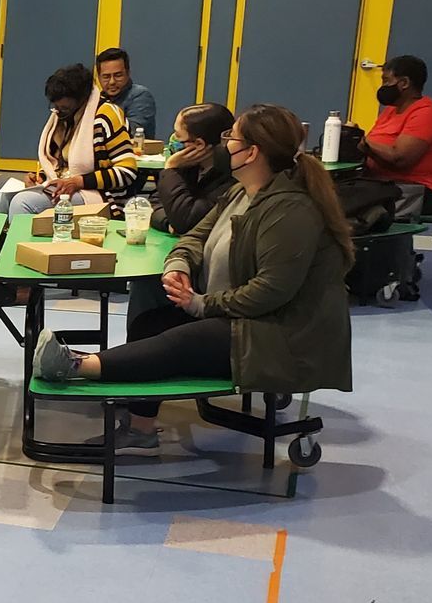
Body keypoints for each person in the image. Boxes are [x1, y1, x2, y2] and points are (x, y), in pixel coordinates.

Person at [34, 104, 353, 454]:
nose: (225, 144)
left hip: (281, 335)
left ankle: (75, 365)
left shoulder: (290, 209)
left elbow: (271, 291)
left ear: (252, 152)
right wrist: (179, 266)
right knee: (150, 323)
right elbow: (194, 237)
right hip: (245, 318)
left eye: (232, 138)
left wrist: (201, 303)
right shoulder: (240, 193)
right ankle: (140, 427)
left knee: (186, 339)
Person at [0, 64, 137, 217]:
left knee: (23, 202)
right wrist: (41, 178)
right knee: (0, 200)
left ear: (82, 100)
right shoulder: (62, 117)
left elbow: (127, 172)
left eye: (65, 107)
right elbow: (61, 166)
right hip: (65, 187)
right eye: (56, 106)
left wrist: (78, 182)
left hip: (100, 196)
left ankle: (23, 241)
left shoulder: (106, 116)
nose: (58, 111)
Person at [358, 54, 432, 215]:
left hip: (417, 189)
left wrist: (363, 143)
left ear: (404, 83)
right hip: (384, 183)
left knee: (348, 206)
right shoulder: (391, 111)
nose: (383, 86)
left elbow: (400, 158)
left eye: (387, 81)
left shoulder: (427, 112)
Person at [152, 102, 237, 236]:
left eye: (178, 136)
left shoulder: (233, 178)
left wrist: (169, 169)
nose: (173, 140)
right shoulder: (188, 165)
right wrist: (168, 223)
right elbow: (154, 203)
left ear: (198, 144)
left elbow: (187, 220)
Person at [95, 47, 158, 139]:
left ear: (128, 73)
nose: (112, 81)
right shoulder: (96, 100)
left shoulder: (140, 95)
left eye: (118, 75)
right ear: (99, 78)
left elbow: (132, 133)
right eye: (106, 77)